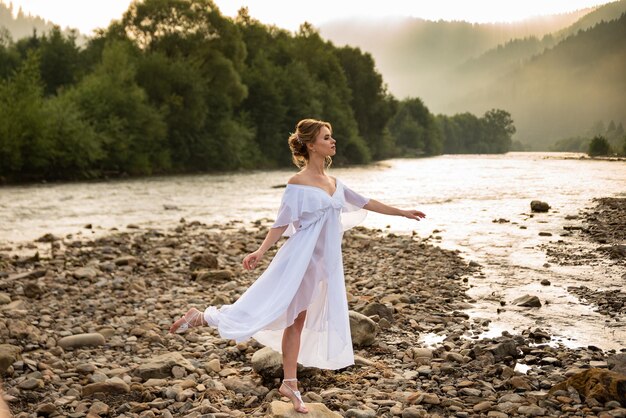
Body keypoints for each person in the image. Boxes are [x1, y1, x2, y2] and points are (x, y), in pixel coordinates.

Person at [169, 118, 426, 414]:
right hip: (299, 260)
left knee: (296, 320)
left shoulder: (335, 184)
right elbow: (281, 223)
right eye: (326, 137)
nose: (333, 141)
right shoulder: (296, 184)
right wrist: (260, 250)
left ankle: (289, 382)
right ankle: (205, 319)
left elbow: (367, 202)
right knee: (274, 309)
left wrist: (403, 213)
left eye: (332, 137)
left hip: (323, 264)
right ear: (311, 145)